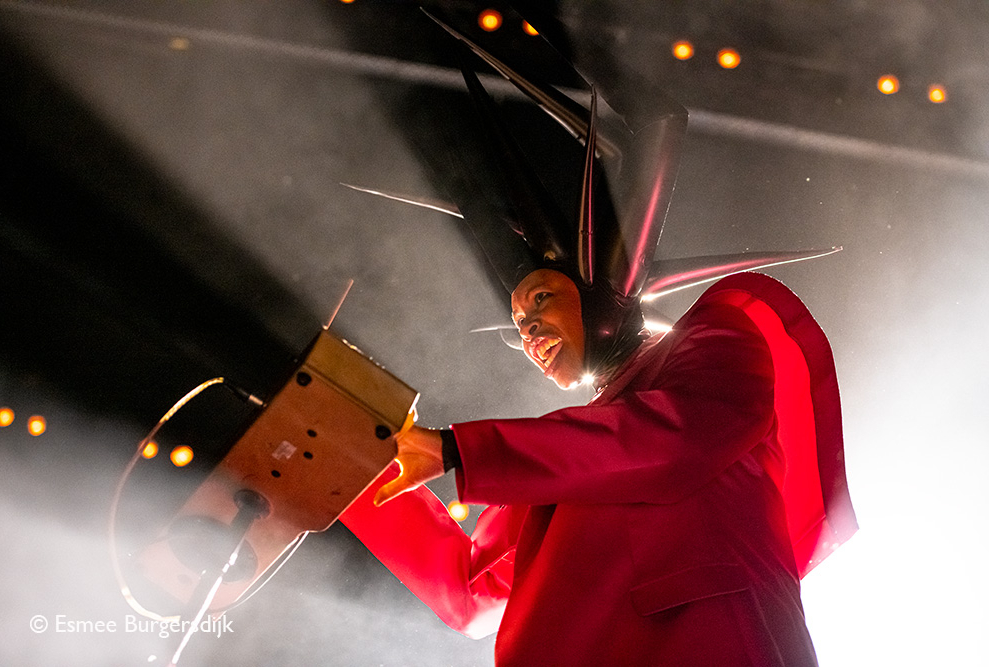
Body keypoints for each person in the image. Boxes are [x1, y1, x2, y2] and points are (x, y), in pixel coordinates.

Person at [339, 8, 856, 665]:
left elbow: (674, 439)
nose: (528, 330)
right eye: (520, 321)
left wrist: (457, 450)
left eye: (541, 300)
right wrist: (345, 455)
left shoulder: (715, 336)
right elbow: (470, 590)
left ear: (601, 290)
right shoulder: (564, 453)